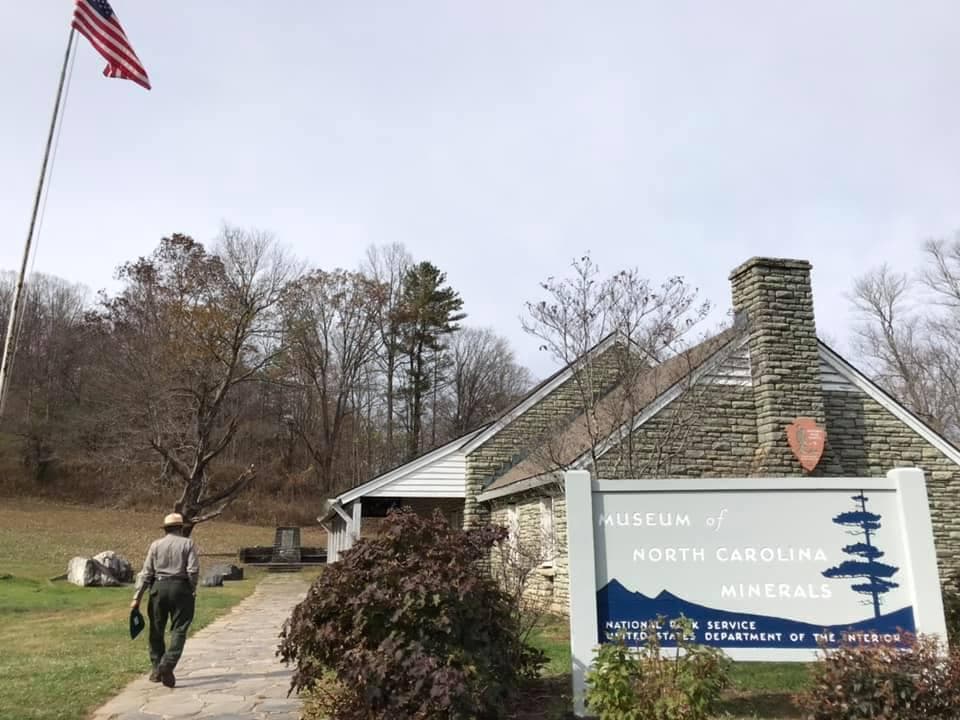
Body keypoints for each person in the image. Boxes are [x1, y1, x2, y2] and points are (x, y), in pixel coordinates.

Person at [130, 512, 200, 688]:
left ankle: (156, 670)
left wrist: (137, 597)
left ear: (166, 529)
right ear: (180, 528)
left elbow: (146, 573)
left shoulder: (155, 545)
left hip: (158, 588)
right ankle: (167, 663)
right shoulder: (188, 543)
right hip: (180, 587)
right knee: (179, 628)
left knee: (156, 629)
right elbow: (192, 570)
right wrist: (192, 588)